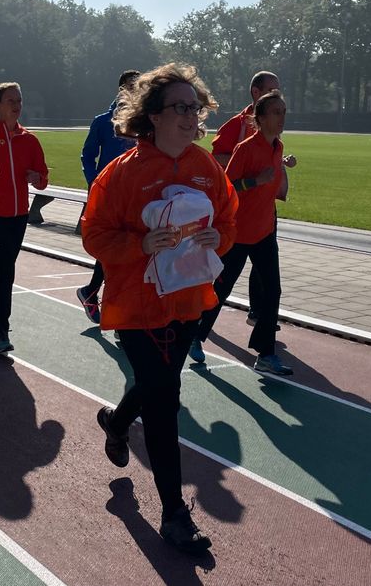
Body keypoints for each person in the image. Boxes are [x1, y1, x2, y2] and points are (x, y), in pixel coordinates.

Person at [82, 62, 236, 554]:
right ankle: (174, 515)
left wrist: (218, 238)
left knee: (158, 385)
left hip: (188, 300)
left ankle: (117, 422)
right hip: (136, 306)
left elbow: (228, 219)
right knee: (166, 399)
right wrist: (141, 244)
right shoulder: (122, 174)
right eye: (181, 108)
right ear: (153, 115)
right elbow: (94, 235)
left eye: (196, 107)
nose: (192, 116)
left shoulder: (205, 167)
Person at [192, 90, 292, 375]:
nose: (282, 117)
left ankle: (266, 353)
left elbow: (273, 185)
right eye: (276, 112)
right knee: (221, 288)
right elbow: (228, 188)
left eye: (284, 112)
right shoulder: (246, 148)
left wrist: (282, 171)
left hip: (264, 232)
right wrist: (255, 181)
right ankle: (196, 336)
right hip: (237, 233)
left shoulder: (278, 147)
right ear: (260, 118)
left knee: (272, 290)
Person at [209, 71, 297, 329]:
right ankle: (197, 330)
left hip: (264, 217)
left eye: (278, 90)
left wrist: (279, 164)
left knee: (270, 283)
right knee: (224, 281)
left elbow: (268, 159)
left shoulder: (276, 134)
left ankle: (261, 327)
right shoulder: (238, 127)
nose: (276, 94)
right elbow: (218, 160)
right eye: (271, 89)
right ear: (256, 92)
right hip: (239, 220)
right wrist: (250, 171)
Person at [0, 82, 49, 353]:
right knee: (5, 269)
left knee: (1, 266)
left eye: (19, 100)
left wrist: (37, 178)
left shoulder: (30, 140)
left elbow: (43, 179)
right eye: (10, 100)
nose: (16, 105)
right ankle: (0, 330)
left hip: (18, 215)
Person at [75, 70, 139, 323]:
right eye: (132, 87)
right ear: (121, 89)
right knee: (115, 248)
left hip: (136, 193)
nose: (136, 92)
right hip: (109, 194)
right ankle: (105, 301)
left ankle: (93, 293)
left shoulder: (143, 121)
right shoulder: (103, 121)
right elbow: (87, 155)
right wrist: (95, 183)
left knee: (129, 249)